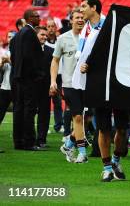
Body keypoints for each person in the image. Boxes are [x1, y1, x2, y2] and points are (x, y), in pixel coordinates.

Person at [76, 0, 130, 181]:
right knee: (103, 128)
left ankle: (116, 160)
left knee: (122, 129)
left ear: (94, 7)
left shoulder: (111, 25)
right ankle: (107, 168)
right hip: (97, 83)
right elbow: (82, 55)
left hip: (117, 82)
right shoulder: (85, 30)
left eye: (83, 6)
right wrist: (83, 65)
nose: (80, 9)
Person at [52, 9, 88, 163]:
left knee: (86, 119)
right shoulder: (62, 38)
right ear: (71, 21)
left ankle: (68, 144)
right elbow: (55, 60)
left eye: (82, 17)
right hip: (69, 83)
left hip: (87, 84)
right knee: (78, 117)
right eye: (77, 18)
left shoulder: (90, 37)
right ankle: (82, 152)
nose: (80, 20)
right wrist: (53, 81)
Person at [10, 9, 44, 151]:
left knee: (18, 109)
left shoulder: (18, 35)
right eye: (37, 16)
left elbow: (14, 55)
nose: (39, 18)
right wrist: (37, 74)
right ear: (30, 18)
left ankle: (18, 141)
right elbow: (30, 57)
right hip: (28, 78)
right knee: (29, 109)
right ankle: (29, 142)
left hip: (17, 76)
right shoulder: (29, 33)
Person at [34, 26, 52, 148]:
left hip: (46, 87)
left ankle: (41, 139)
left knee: (44, 114)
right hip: (32, 87)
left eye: (46, 35)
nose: (45, 37)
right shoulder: (29, 49)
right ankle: (28, 138)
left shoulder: (51, 51)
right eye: (42, 35)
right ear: (36, 35)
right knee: (30, 113)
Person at [0, 31, 16, 153]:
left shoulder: (19, 53)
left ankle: (19, 139)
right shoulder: (4, 53)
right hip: (5, 88)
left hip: (17, 89)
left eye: (13, 37)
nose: (10, 39)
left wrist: (10, 61)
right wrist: (2, 63)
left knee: (20, 115)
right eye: (9, 37)